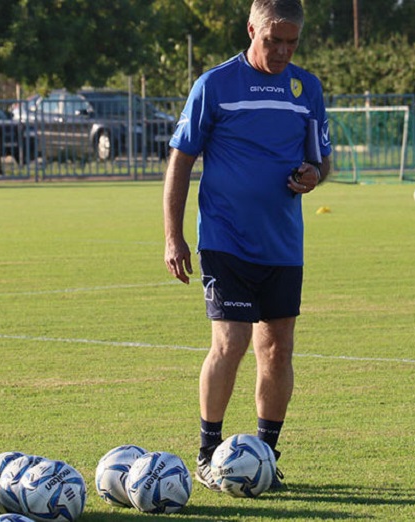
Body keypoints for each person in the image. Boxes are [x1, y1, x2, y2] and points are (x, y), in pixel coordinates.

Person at [162, 0, 331, 492]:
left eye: (291, 42)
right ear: (251, 28)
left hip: (282, 243)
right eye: (272, 39)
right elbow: (181, 161)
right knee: (230, 342)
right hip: (224, 238)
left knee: (277, 350)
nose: (281, 50)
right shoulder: (215, 85)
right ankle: (207, 453)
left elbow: (322, 162)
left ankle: (265, 455)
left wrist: (311, 176)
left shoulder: (307, 88)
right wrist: (174, 236)